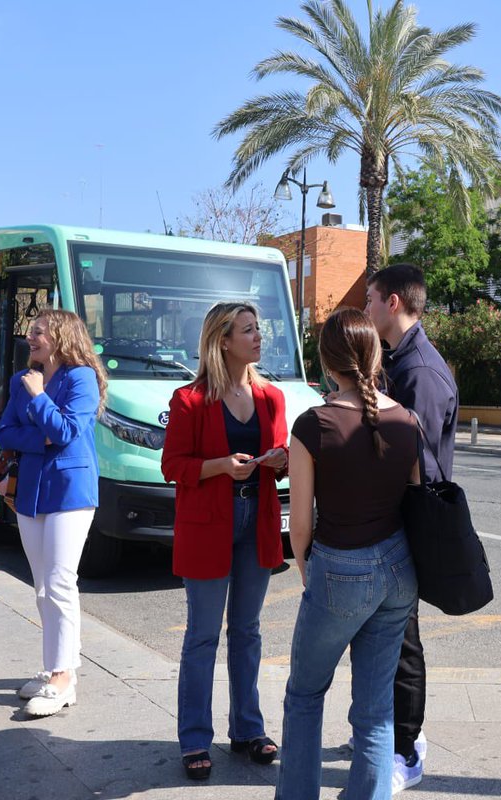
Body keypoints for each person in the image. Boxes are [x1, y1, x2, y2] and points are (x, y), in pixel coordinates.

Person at [276, 308, 420, 800]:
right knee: (376, 709)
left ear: (326, 361)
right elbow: (414, 504)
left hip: (340, 566)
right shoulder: (407, 420)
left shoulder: (312, 425)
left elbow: (300, 524)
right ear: (375, 355)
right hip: (399, 570)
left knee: (304, 694)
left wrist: (307, 569)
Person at [161, 301, 289, 781]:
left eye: (258, 329)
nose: (258, 337)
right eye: (248, 330)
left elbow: (281, 453)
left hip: (258, 519)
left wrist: (280, 459)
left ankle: (248, 728)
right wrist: (219, 466)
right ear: (223, 340)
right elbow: (172, 466)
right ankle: (195, 738)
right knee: (202, 635)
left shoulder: (271, 396)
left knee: (248, 631)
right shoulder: (190, 399)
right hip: (208, 521)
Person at [364, 263, 458, 792]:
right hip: (393, 518)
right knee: (389, 635)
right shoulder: (399, 360)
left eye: (371, 299)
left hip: (409, 520)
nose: (366, 308)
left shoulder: (419, 371)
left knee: (402, 640)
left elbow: (417, 460)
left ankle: (406, 750)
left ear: (393, 302)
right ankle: (388, 733)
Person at [0, 310, 106, 717]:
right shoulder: (21, 380)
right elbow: (5, 432)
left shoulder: (82, 378)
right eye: (31, 331)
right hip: (31, 493)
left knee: (60, 582)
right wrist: (40, 436)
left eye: (38, 331)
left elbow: (65, 431)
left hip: (71, 491)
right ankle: (58, 668)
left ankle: (61, 676)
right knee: (43, 587)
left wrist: (40, 399)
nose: (30, 336)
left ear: (61, 336)